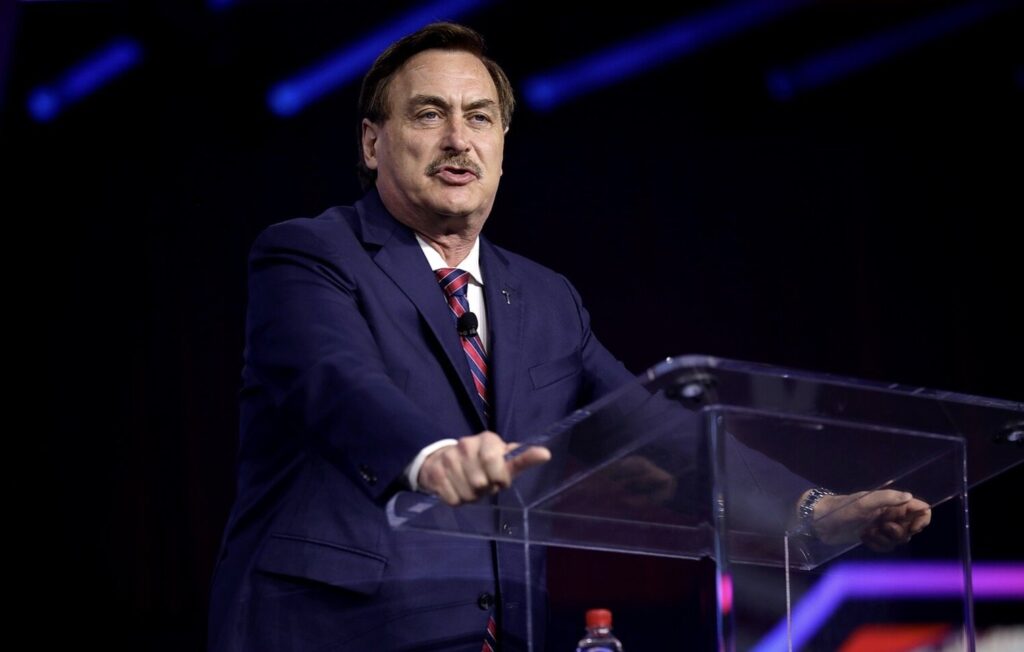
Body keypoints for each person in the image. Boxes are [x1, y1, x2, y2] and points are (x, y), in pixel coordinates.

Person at [207, 22, 930, 652]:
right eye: (429, 114)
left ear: (502, 143)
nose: (458, 139)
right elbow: (335, 381)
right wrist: (429, 456)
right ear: (372, 142)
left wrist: (812, 509)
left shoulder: (546, 299)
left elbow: (657, 433)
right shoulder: (309, 254)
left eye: (480, 117)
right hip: (334, 631)